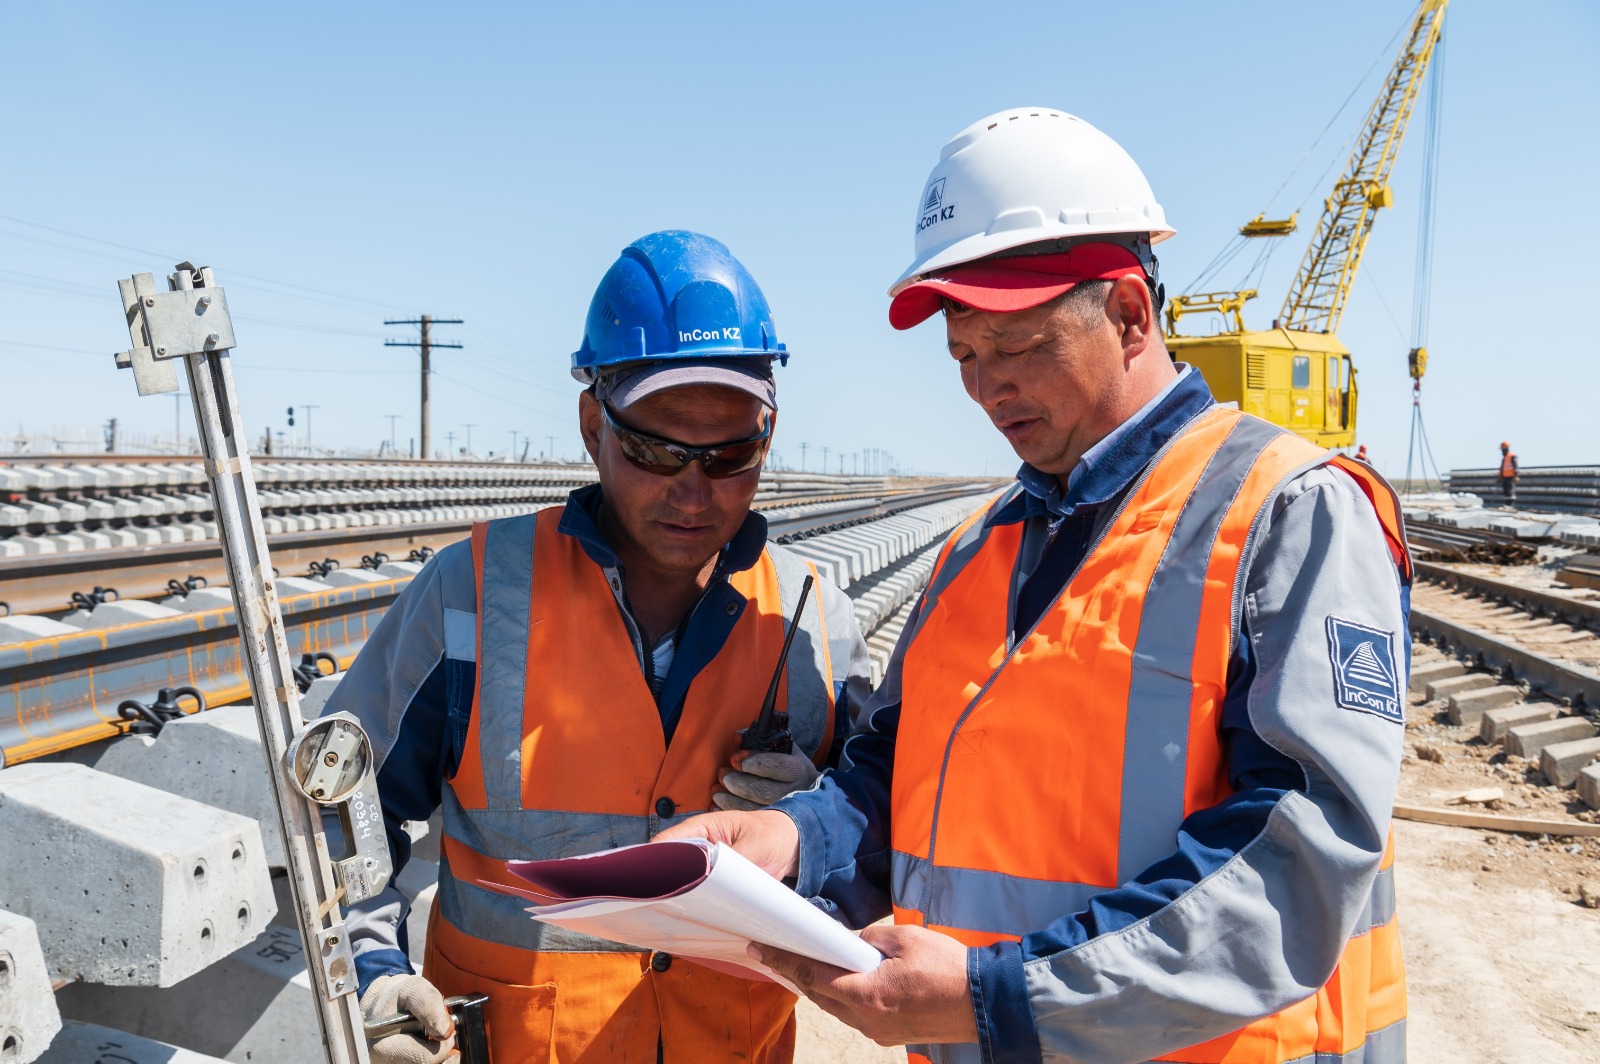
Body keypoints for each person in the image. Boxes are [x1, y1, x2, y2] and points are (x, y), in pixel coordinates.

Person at [660, 109, 1413, 1063]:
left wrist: (994, 998)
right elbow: (896, 785)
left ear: (1130, 315)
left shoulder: (1290, 513)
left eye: (1017, 349)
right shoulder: (979, 551)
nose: (986, 389)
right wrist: (792, 843)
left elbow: (1297, 864)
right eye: (966, 357)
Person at [328, 230, 870, 1064]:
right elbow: (345, 808)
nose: (694, 491)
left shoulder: (814, 624)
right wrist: (370, 970)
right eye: (657, 449)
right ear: (594, 423)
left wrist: (810, 824)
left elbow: (885, 831)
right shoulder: (472, 592)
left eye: (731, 455)